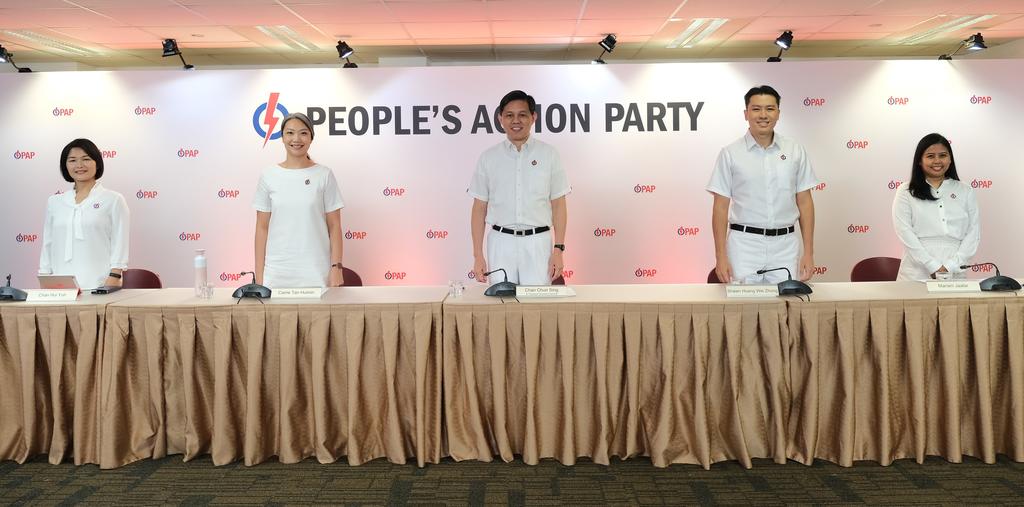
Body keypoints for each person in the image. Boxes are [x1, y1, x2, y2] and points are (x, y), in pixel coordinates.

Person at [707, 85, 819, 284]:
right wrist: (720, 256)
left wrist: (808, 252)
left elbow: (805, 202)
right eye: (756, 109)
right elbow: (720, 207)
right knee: (743, 311)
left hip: (785, 245)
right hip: (744, 246)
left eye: (770, 108)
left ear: (778, 113)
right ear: (746, 113)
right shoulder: (730, 153)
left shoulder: (795, 151)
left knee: (786, 309)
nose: (763, 115)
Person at [469, 90, 570, 285]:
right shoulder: (488, 158)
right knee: (502, 307)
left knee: (537, 309)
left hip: (538, 243)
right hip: (500, 243)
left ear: (533, 117)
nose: (516, 120)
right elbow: (478, 208)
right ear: (500, 119)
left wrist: (558, 249)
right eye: (509, 115)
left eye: (522, 115)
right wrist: (477, 255)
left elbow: (558, 204)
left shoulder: (549, 155)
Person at [253, 112, 345, 288]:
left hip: (316, 272)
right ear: (282, 137)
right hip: (277, 273)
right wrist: (259, 277)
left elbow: (335, 226)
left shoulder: (324, 175)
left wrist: (336, 268)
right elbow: (261, 228)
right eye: (290, 133)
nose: (296, 139)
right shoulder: (268, 176)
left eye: (303, 133)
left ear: (311, 138)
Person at [38, 138, 130, 290]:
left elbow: (120, 242)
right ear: (65, 165)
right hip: (61, 289)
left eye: (86, 159)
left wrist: (113, 278)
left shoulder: (113, 199)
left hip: (100, 286)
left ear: (97, 163)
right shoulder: (54, 201)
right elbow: (48, 244)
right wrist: (44, 277)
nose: (79, 165)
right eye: (72, 160)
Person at [891, 133, 980, 281]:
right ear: (920, 160)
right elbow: (904, 232)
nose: (937, 161)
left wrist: (950, 266)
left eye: (943, 155)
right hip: (917, 272)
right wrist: (932, 266)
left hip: (955, 271)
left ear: (950, 159)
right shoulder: (906, 191)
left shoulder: (965, 190)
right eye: (930, 156)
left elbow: (973, 233)